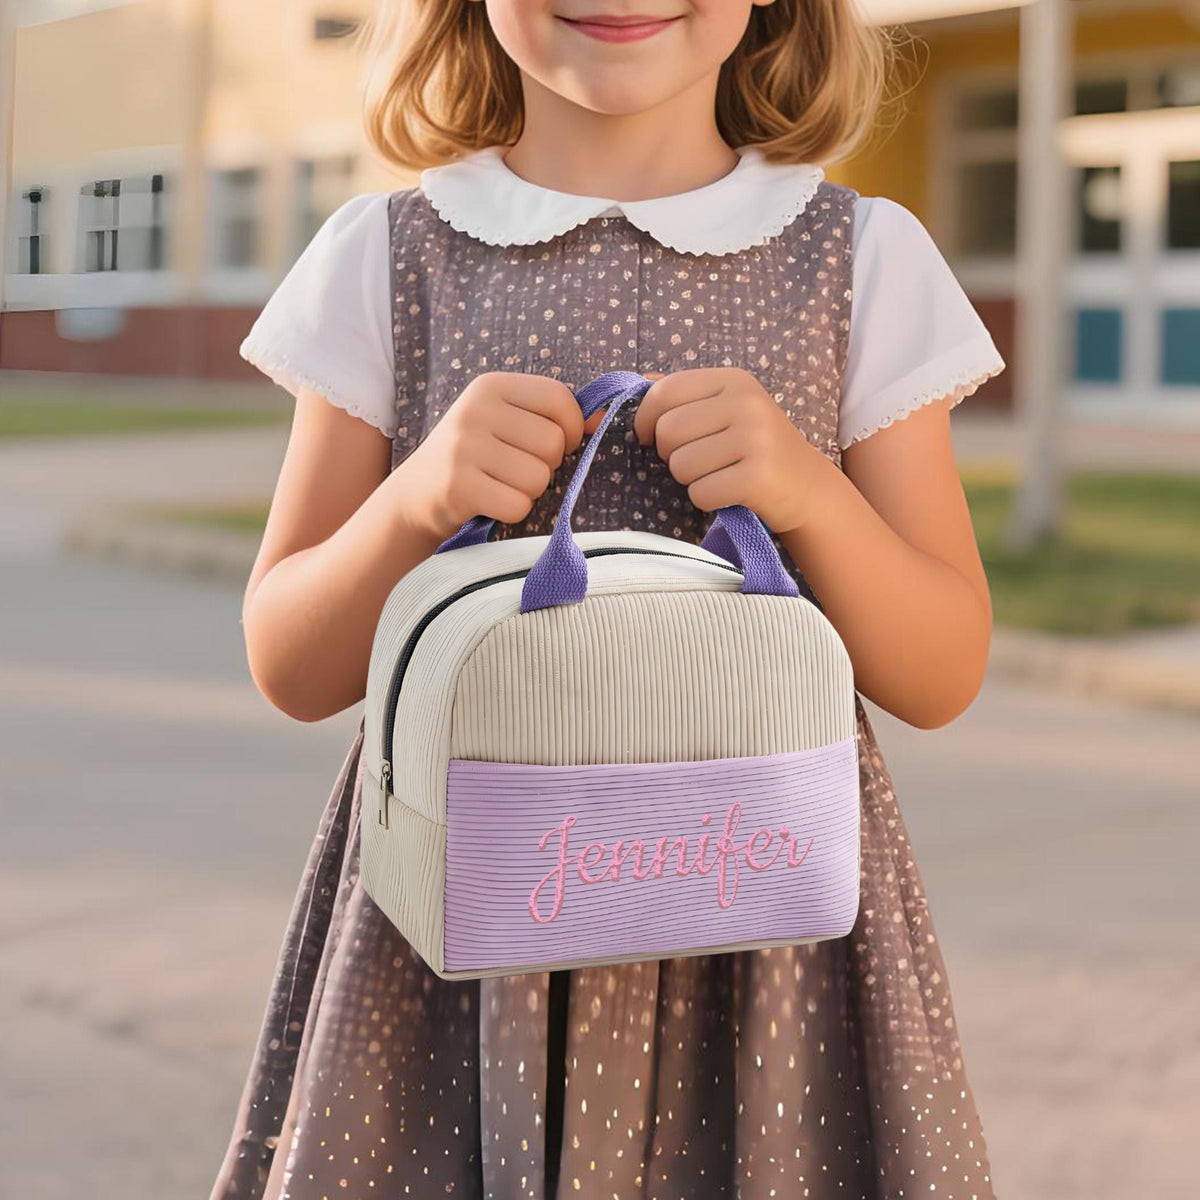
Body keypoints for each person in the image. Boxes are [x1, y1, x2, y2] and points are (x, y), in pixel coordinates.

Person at [209, 2, 1006, 1197]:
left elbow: (942, 672)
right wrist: (416, 499)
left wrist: (808, 492)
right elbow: (290, 658)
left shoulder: (862, 255)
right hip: (464, 921)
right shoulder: (387, 253)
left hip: (761, 936)